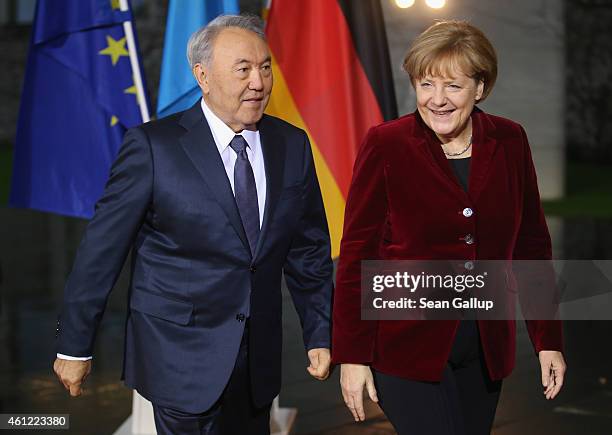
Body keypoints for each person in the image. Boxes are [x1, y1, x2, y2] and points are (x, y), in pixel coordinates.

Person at [53, 14, 333, 435]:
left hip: (258, 365)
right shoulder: (153, 148)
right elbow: (100, 252)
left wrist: (320, 331)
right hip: (179, 358)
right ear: (203, 76)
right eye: (243, 69)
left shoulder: (291, 144)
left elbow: (308, 249)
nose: (259, 82)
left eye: (265, 67)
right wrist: (74, 346)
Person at [332, 20, 566, 435]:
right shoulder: (387, 144)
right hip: (405, 350)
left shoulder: (511, 141)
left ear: (480, 88)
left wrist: (547, 340)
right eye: (426, 85)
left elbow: (532, 247)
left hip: (484, 352)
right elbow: (357, 257)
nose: (437, 100)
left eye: (453, 87)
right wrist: (351, 355)